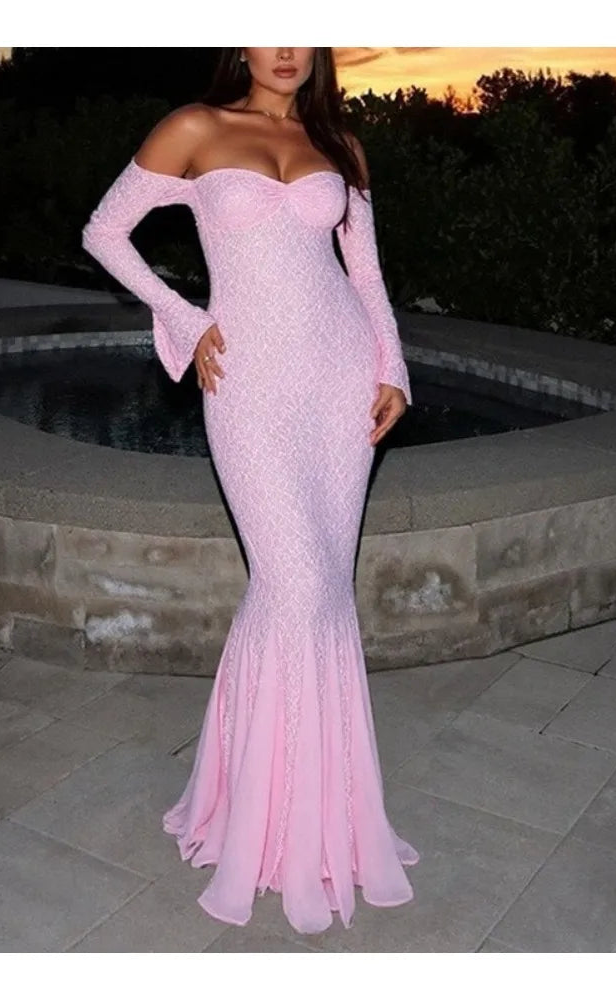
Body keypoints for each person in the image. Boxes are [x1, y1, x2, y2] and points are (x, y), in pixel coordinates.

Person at [81, 47, 418, 936]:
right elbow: (104, 231)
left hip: (341, 376)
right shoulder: (195, 127)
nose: (285, 47)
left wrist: (393, 369)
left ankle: (321, 816)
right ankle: (259, 815)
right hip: (249, 383)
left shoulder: (340, 143)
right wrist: (184, 317)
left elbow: (365, 273)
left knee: (323, 592)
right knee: (294, 583)